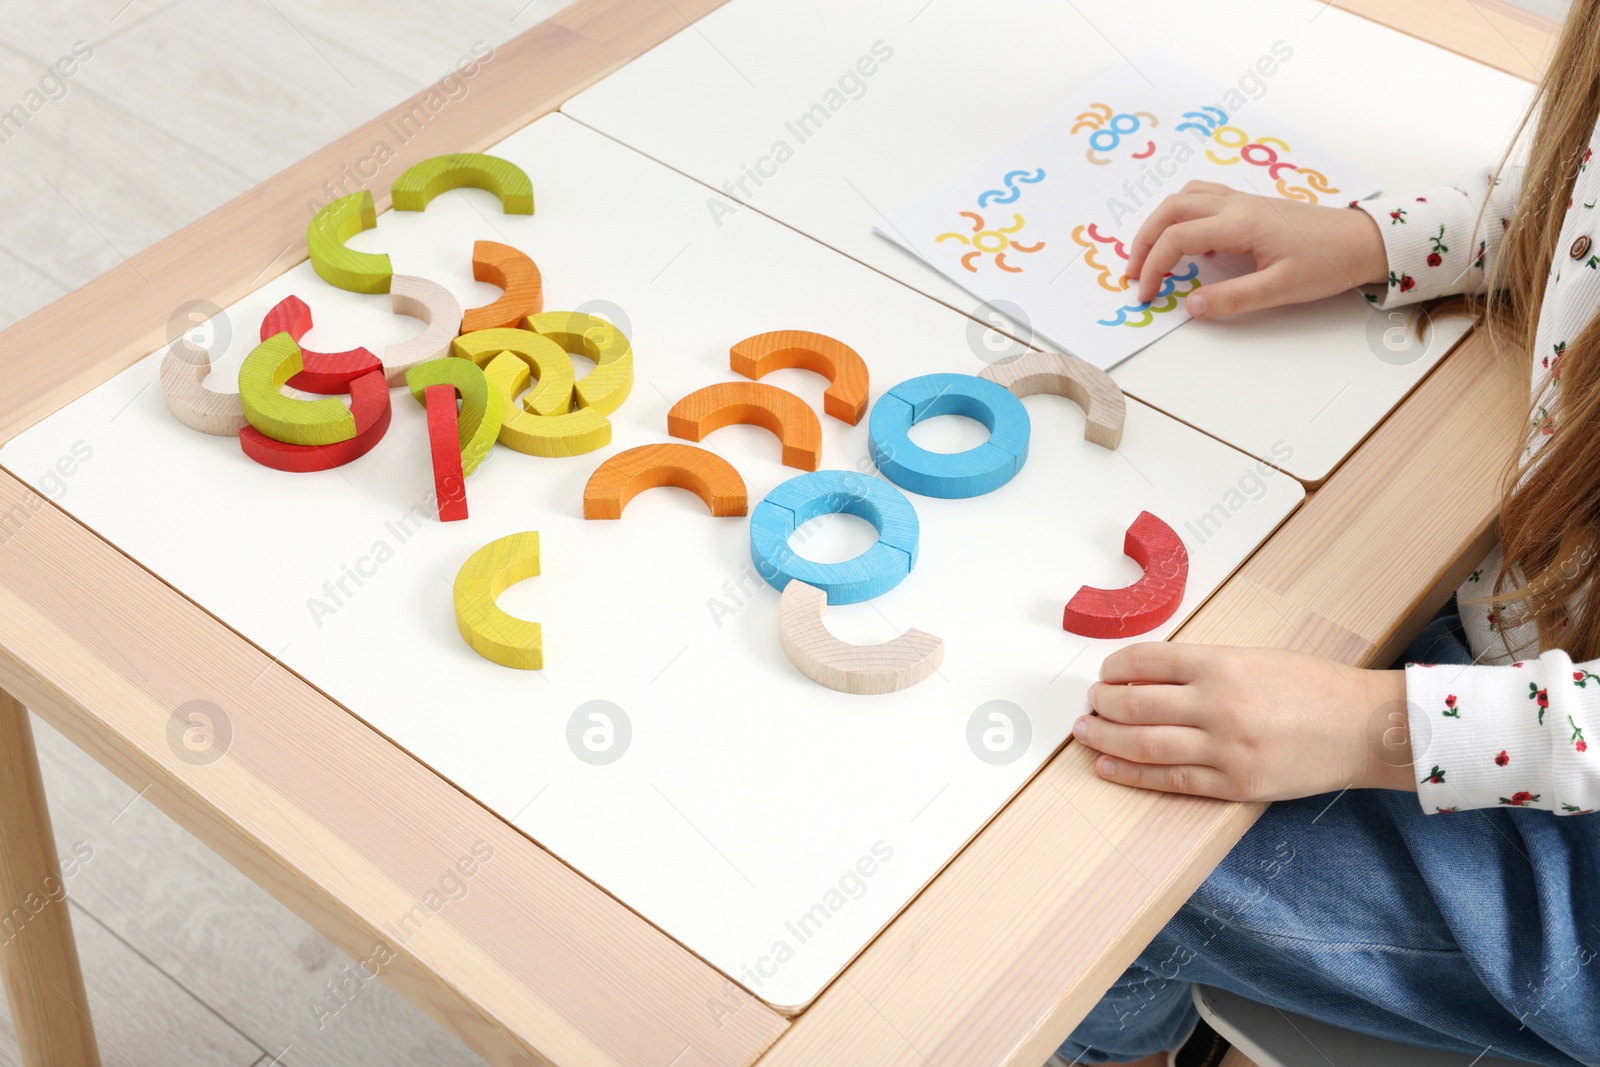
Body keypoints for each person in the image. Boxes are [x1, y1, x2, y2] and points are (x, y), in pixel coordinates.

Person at [1051, 5, 1600, 1065]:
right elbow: (1575, 205)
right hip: (1527, 664)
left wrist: (1375, 724)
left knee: (1094, 876)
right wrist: (1379, 236)